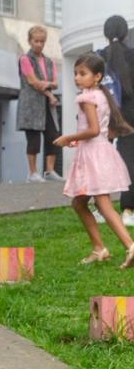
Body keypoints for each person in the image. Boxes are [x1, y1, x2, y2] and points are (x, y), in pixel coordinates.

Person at [53, 54, 134, 266]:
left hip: (93, 156)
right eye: (75, 73)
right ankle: (99, 248)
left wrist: (68, 137)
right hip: (98, 152)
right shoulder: (100, 95)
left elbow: (94, 130)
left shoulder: (86, 98)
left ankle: (130, 245)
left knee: (103, 202)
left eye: (82, 73)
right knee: (79, 203)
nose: (77, 78)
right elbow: (100, 131)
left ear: (97, 76)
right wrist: (77, 141)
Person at [17, 25, 62, 183]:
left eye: (42, 41)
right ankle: (32, 173)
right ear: (30, 41)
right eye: (36, 41)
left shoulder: (50, 61)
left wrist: (47, 86)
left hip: (47, 104)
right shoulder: (25, 59)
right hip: (31, 105)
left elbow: (56, 83)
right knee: (34, 138)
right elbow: (33, 82)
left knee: (53, 136)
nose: (39, 44)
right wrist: (49, 89)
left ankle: (49, 171)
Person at [100, 16, 134, 226]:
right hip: (130, 115)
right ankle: (129, 209)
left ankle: (99, 207)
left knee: (98, 159)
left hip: (103, 113)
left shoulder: (98, 57)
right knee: (130, 160)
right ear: (126, 34)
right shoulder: (132, 55)